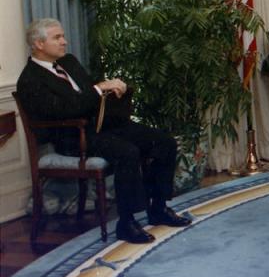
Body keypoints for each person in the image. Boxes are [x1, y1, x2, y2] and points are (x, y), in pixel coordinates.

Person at [16, 19, 191, 244]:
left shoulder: (68, 62)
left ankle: (157, 207)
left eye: (63, 36)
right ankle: (126, 223)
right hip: (73, 138)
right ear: (38, 44)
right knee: (127, 152)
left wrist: (115, 93)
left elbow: (89, 96)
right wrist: (99, 88)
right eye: (57, 38)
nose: (65, 42)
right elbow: (67, 109)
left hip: (102, 126)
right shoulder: (30, 80)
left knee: (163, 142)